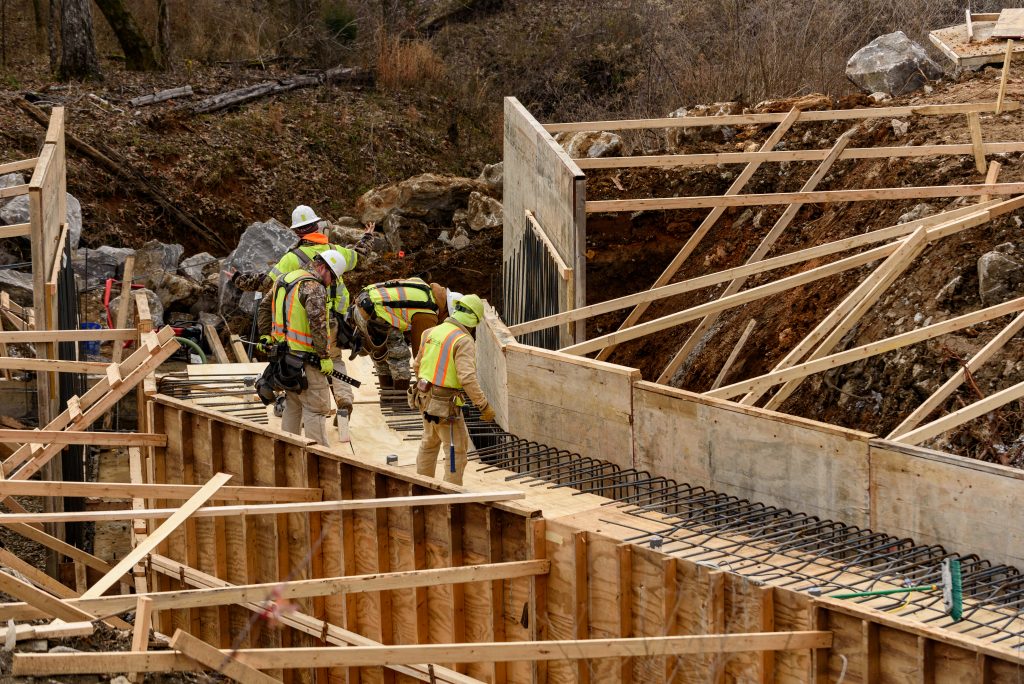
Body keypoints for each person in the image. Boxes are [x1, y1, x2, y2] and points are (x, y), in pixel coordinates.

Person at [236, 205, 374, 417]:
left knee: (303, 363)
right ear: (317, 226)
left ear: (296, 231)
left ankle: (299, 407)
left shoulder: (292, 258)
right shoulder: (336, 252)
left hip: (302, 325)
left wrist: (238, 280)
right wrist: (367, 237)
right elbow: (361, 255)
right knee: (335, 360)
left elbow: (266, 284)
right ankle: (344, 397)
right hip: (335, 320)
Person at [410, 293, 496, 485]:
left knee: (429, 443)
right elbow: (467, 378)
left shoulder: (430, 332)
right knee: (455, 449)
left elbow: (417, 366)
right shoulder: (463, 341)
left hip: (424, 396)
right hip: (445, 404)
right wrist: (483, 405)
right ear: (473, 320)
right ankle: (451, 495)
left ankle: (421, 487)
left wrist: (427, 389)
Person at [267, 249, 350, 446]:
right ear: (322, 268)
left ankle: (288, 452)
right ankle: (320, 461)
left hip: (285, 357)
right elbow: (318, 324)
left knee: (293, 405)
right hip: (308, 360)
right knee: (316, 409)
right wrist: (324, 356)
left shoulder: (285, 279)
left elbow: (264, 305)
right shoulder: (314, 288)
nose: (332, 283)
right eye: (333, 277)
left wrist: (265, 334)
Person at [350, 277, 456, 391]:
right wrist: (426, 379)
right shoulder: (427, 313)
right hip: (376, 312)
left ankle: (387, 395)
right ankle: (400, 398)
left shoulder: (422, 286)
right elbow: (421, 352)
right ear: (447, 311)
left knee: (384, 353)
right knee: (400, 356)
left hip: (361, 304)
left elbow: (400, 304)